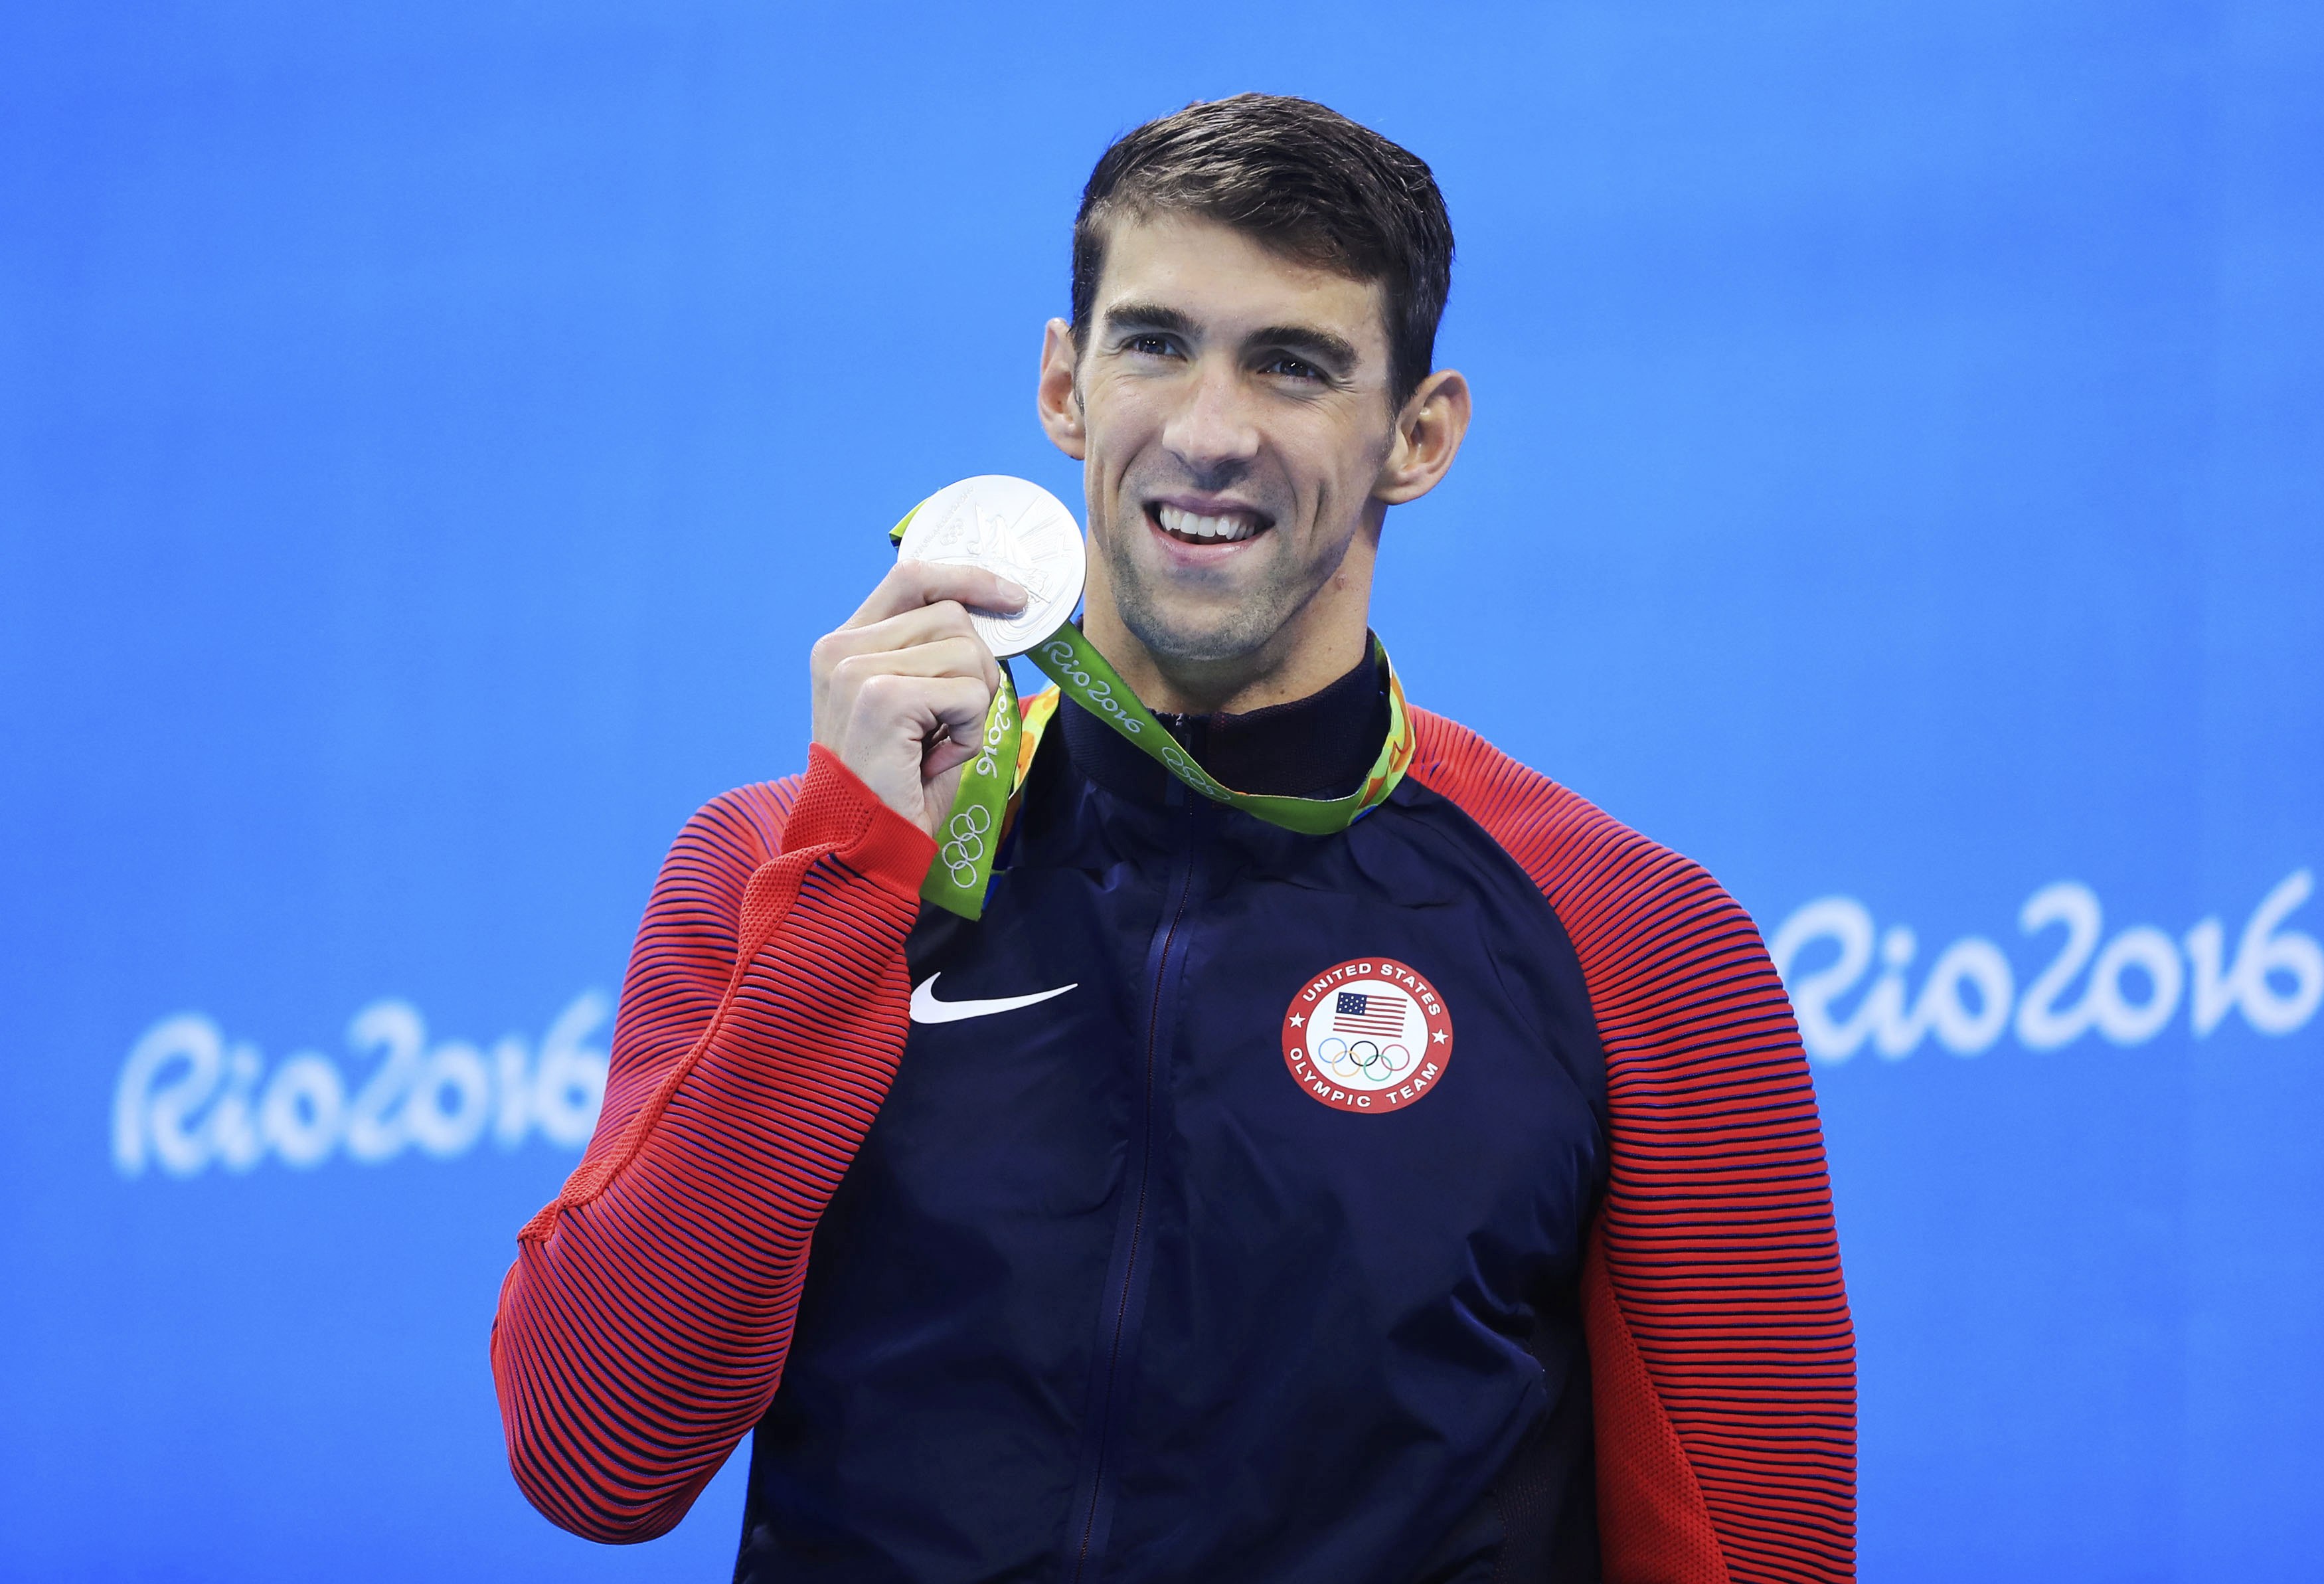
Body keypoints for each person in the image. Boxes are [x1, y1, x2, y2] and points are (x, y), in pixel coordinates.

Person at [491, 94, 1855, 1583]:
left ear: (1419, 433)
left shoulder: (1629, 934)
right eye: (1155, 343)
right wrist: (849, 875)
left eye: (1293, 363)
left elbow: (1766, 1550)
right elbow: (596, 1453)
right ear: (1063, 385)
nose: (1210, 434)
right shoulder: (781, 866)